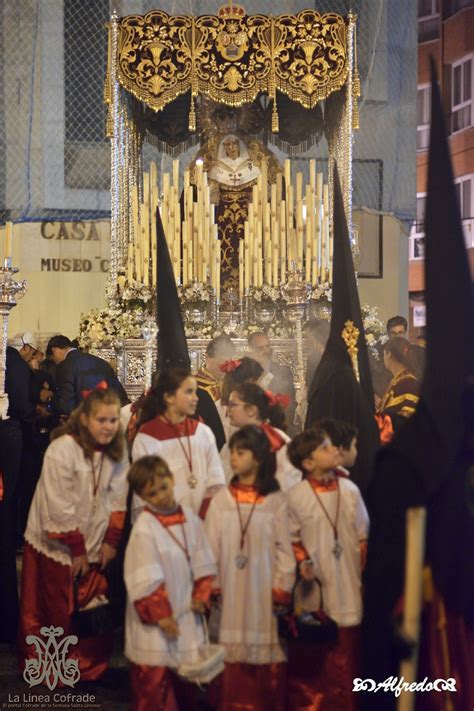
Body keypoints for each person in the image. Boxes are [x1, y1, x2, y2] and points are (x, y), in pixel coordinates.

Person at [18, 388, 129, 681]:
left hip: (96, 535)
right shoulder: (62, 449)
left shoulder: (117, 450)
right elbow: (58, 503)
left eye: (113, 420)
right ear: (84, 420)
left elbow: (118, 499)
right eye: (101, 420)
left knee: (92, 602)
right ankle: (54, 665)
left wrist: (111, 542)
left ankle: (88, 664)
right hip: (58, 539)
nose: (108, 427)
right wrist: (78, 549)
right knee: (56, 603)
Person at [205, 425, 296, 711]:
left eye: (240, 452)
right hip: (230, 593)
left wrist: (282, 587)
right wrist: (213, 584)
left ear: (257, 457)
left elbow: (285, 549)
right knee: (231, 659)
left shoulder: (275, 501)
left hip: (263, 590)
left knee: (262, 660)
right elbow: (209, 548)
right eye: (232, 451)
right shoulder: (222, 501)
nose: (232, 458)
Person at [124, 455, 217, 711]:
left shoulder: (189, 517)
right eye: (151, 494)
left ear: (172, 479)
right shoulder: (144, 529)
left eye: (163, 487)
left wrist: (202, 593)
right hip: (156, 623)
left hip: (185, 612)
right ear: (142, 497)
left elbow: (204, 559)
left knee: (183, 681)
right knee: (154, 687)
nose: (160, 496)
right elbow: (143, 577)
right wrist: (161, 615)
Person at [286, 428, 369, 710]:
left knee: (347, 662)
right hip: (316, 594)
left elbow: (363, 537)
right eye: (324, 448)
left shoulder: (350, 490)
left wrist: (361, 572)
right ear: (308, 463)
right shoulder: (296, 496)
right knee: (316, 668)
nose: (334, 450)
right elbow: (290, 539)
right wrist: (303, 562)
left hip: (349, 585)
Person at [131, 368, 226, 521]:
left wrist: (201, 521)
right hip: (164, 526)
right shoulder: (147, 437)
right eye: (189, 392)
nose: (196, 398)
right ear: (169, 397)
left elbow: (215, 481)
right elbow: (144, 493)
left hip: (203, 522)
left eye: (195, 392)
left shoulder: (203, 432)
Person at [220, 382, 301, 492]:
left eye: (232, 405)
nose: (227, 411)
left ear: (251, 410)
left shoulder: (276, 440)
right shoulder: (236, 438)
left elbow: (290, 481)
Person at [46, 334, 128, 417]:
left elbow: (66, 406)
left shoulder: (64, 366)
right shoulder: (101, 362)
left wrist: (50, 402)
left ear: (54, 351)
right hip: (106, 418)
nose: (55, 363)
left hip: (83, 422)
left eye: (53, 360)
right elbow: (120, 396)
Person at [247, 331, 296, 432]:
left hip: (277, 425)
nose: (266, 351)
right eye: (260, 348)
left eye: (267, 346)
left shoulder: (285, 371)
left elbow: (290, 401)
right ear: (251, 349)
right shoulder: (245, 372)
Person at [195, 335, 236, 450]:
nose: (226, 366)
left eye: (229, 360)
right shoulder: (193, 385)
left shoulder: (232, 382)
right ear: (208, 357)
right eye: (221, 361)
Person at [378, 337, 421, 431]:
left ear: (388, 353)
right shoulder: (399, 380)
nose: (383, 358)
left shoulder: (407, 383)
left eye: (383, 354)